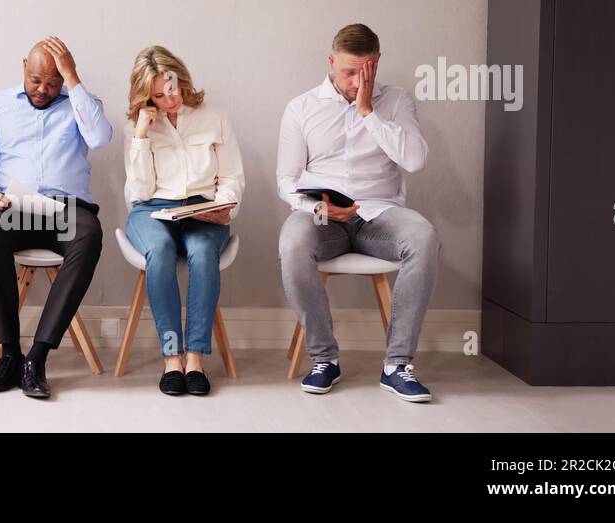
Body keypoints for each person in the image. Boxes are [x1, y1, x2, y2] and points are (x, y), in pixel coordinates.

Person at [276, 24, 438, 402]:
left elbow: (415, 161)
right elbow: (285, 178)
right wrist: (316, 206)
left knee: (424, 236)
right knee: (292, 241)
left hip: (378, 216)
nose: (356, 80)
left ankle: (397, 365)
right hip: (322, 215)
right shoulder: (301, 108)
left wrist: (367, 112)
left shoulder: (396, 102)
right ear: (331, 62)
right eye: (348, 71)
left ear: (377, 63)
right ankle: (324, 359)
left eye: (365, 71)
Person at [0, 36, 113, 399]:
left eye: (52, 82)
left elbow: (101, 137)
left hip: (68, 210)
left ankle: (38, 356)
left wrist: (73, 78)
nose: (43, 90)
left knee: (89, 236)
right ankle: (10, 353)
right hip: (15, 207)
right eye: (35, 81)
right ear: (23, 69)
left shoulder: (79, 104)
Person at [122, 46, 244, 396]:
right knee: (158, 251)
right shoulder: (139, 125)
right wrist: (142, 135)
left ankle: (195, 359)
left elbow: (232, 177)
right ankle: (172, 359)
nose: (167, 100)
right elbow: (141, 191)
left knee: (203, 252)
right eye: (157, 95)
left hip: (202, 209)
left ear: (182, 79)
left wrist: (224, 208)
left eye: (170, 90)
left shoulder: (214, 116)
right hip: (152, 211)